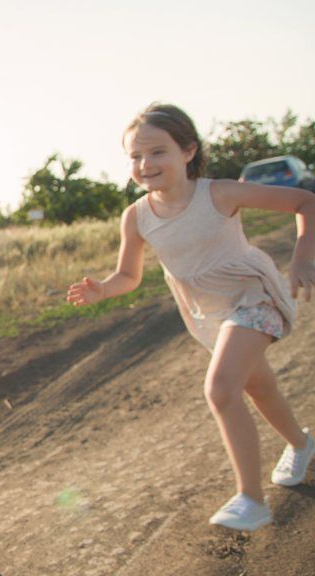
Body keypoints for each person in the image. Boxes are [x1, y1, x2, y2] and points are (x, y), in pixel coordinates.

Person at [67, 103, 315, 531]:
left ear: (187, 151)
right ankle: (302, 444)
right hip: (210, 314)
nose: (145, 164)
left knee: (221, 389)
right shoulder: (137, 217)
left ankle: (251, 499)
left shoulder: (220, 193)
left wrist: (302, 256)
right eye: (135, 156)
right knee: (258, 386)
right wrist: (104, 288)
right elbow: (129, 275)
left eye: (158, 152)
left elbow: (305, 202)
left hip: (254, 297)